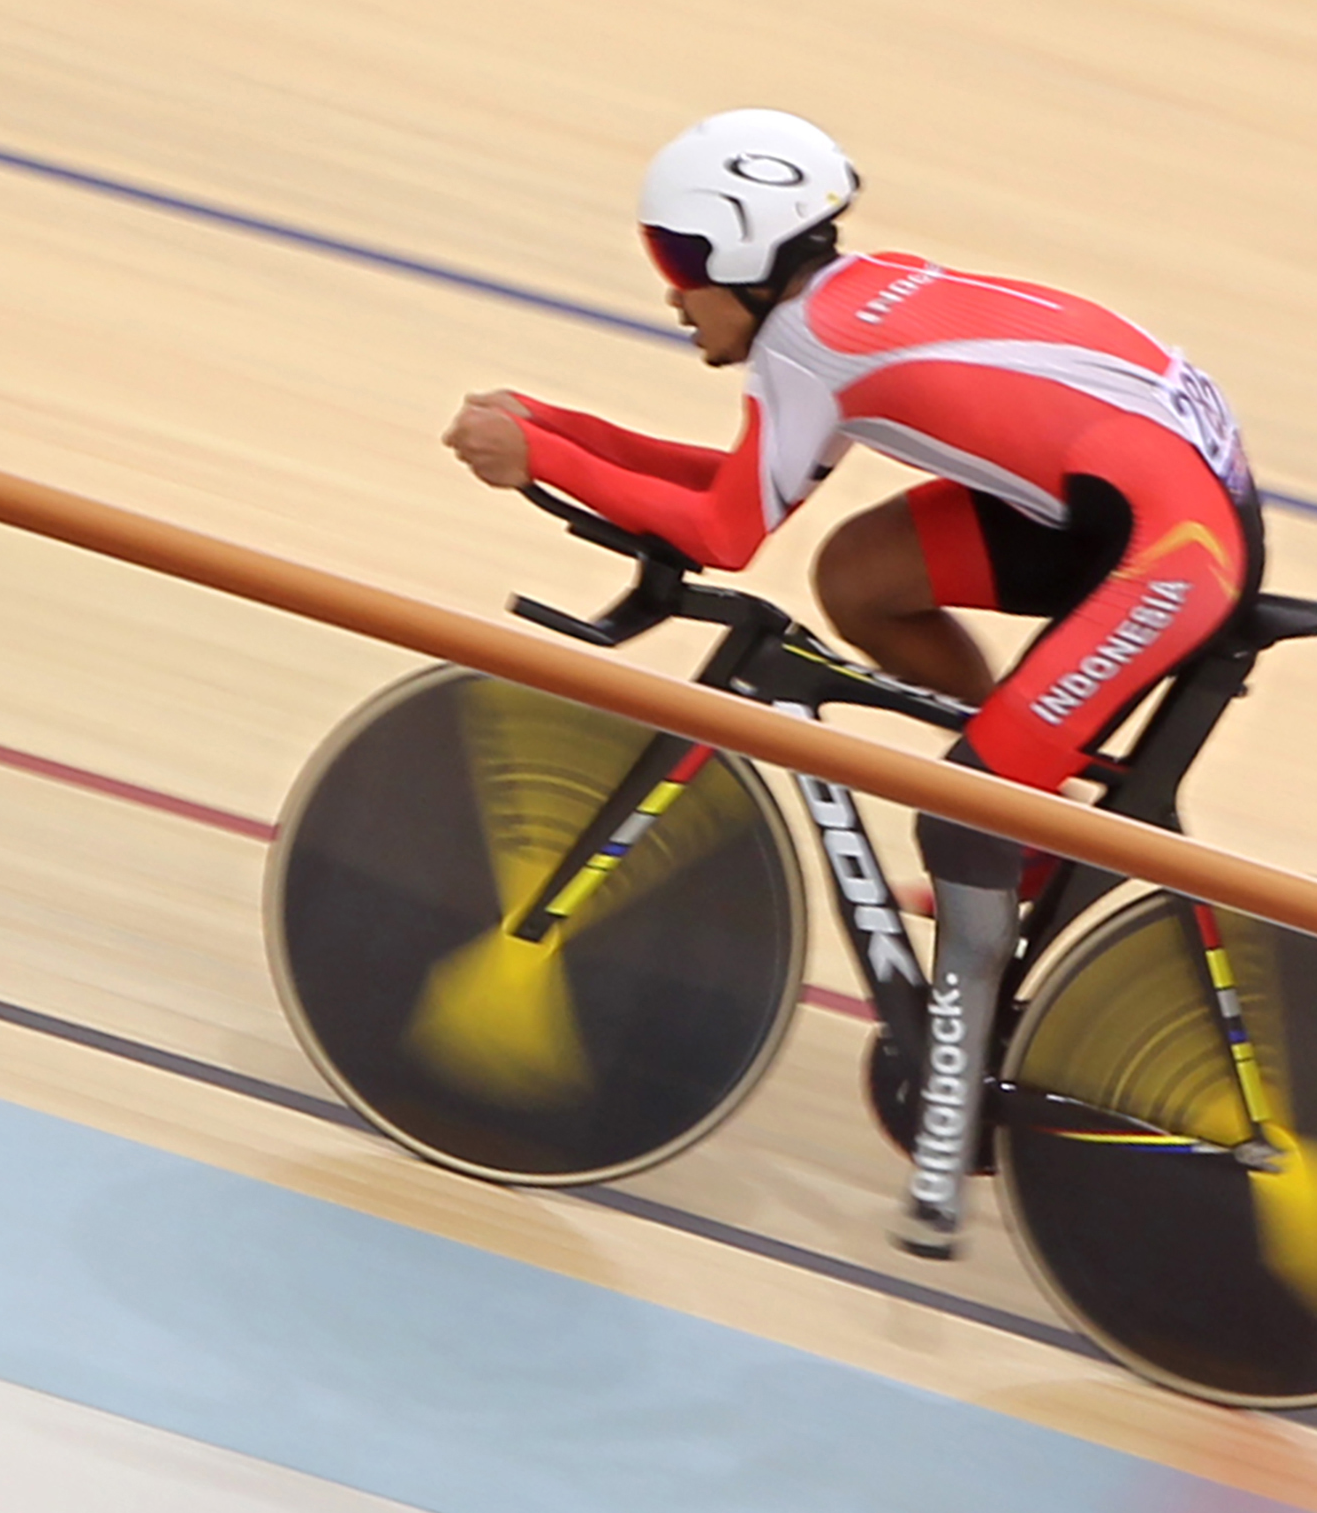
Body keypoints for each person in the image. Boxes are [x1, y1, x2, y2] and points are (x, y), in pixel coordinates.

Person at [442, 108, 1266, 1259]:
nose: (671, 295)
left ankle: (945, 1142)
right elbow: (744, 484)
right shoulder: (838, 310)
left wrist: (543, 460)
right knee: (862, 577)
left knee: (961, 805)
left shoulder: (808, 349)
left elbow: (725, 534)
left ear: (741, 259)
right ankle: (1025, 826)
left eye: (680, 266)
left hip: (1172, 551)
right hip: (1127, 501)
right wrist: (555, 428)